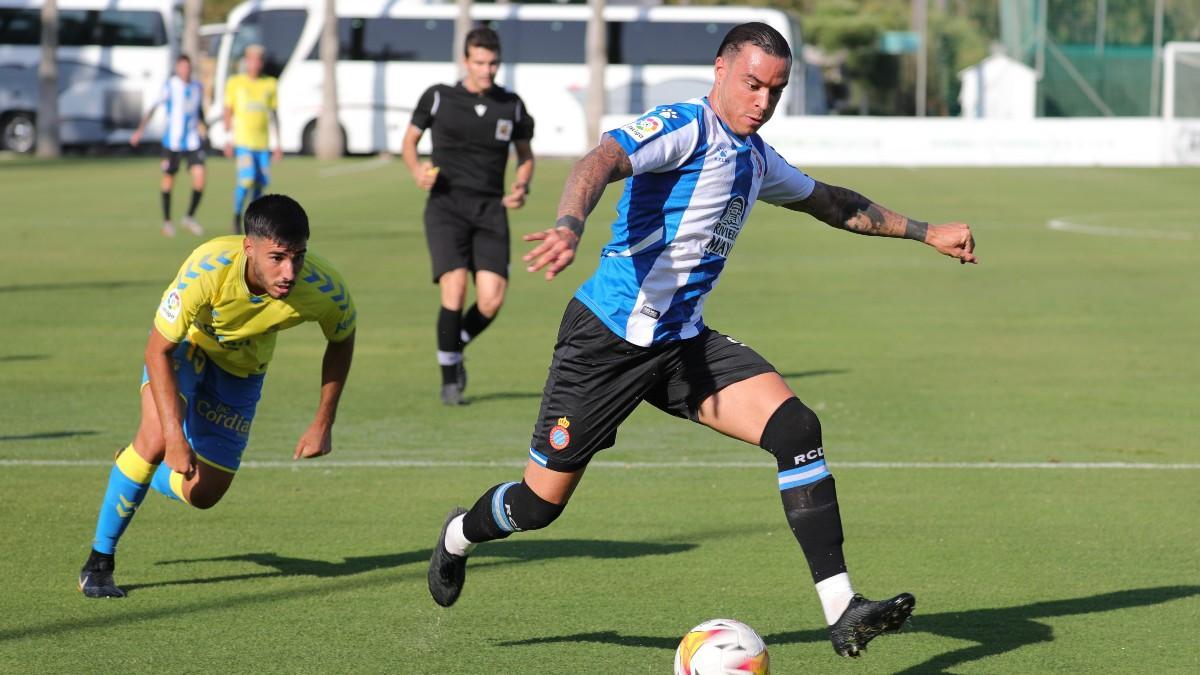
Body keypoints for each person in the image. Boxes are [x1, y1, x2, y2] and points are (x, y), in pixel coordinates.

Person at [427, 22, 977, 658]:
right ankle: (460, 534)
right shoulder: (684, 127)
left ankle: (842, 608)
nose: (762, 102)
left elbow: (831, 202)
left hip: (682, 345)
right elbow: (599, 159)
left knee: (796, 428)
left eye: (775, 90)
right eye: (751, 84)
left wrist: (925, 230)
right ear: (719, 71)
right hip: (605, 342)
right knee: (539, 506)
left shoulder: (755, 157)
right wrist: (569, 224)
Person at [78, 194, 357, 598]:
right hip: (186, 348)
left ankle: (134, 466)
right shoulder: (206, 269)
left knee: (204, 494)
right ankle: (99, 563)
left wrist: (323, 421)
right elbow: (157, 349)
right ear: (249, 247)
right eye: (277, 257)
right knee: (157, 438)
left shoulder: (325, 288)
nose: (290, 271)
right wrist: (174, 437)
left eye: (298, 256)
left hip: (242, 371)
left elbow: (342, 340)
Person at [401, 26, 535, 405]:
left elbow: (525, 157)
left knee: (491, 300)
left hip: (490, 209)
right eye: (479, 62)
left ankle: (454, 345)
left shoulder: (511, 105)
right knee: (455, 288)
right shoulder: (439, 97)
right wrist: (417, 171)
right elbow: (409, 143)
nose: (487, 70)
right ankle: (449, 379)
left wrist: (522, 186)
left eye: (493, 63)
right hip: (446, 205)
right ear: (465, 61)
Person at [131, 54, 207, 238]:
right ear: (177, 69)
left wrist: (204, 127)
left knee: (200, 177)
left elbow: (199, 111)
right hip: (172, 143)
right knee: (168, 181)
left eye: (187, 67)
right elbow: (153, 107)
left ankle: (189, 217)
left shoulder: (197, 87)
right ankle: (167, 222)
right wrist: (140, 130)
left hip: (192, 141)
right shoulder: (170, 86)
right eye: (182, 67)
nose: (185, 71)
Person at [223, 45, 282, 234]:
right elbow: (228, 111)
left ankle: (254, 221)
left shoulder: (270, 84)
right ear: (246, 61)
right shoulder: (235, 83)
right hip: (243, 142)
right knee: (246, 180)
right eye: (252, 59)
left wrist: (278, 144)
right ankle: (236, 215)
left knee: (260, 184)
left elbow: (274, 114)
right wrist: (227, 139)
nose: (255, 64)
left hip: (262, 144)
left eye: (259, 60)